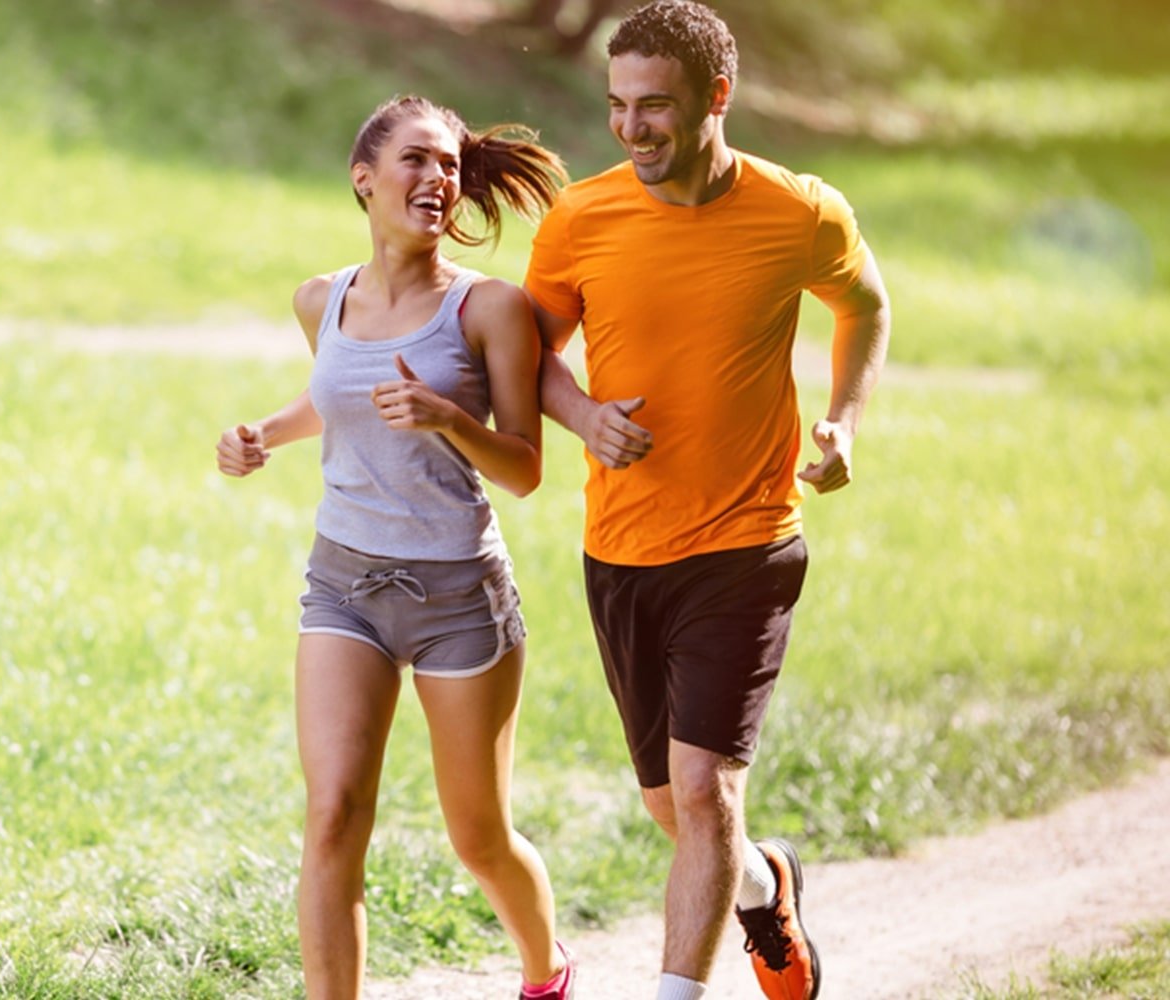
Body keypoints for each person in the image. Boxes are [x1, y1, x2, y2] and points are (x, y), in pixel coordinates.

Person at [522, 3, 892, 999]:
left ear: (716, 98)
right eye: (618, 106)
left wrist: (844, 420)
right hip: (622, 548)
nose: (633, 128)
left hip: (747, 541)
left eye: (656, 107)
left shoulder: (798, 211)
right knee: (673, 805)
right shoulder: (581, 219)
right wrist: (585, 415)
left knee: (702, 788)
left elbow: (864, 302)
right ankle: (769, 884)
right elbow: (530, 358)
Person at [216, 95, 573, 1000]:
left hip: (459, 598)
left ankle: (546, 972)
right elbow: (336, 397)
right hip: (343, 585)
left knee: (478, 837)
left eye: (449, 165)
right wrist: (263, 432)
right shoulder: (319, 300)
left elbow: (526, 471)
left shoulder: (490, 308)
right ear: (364, 179)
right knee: (333, 817)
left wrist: (451, 418)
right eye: (417, 160)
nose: (438, 179)